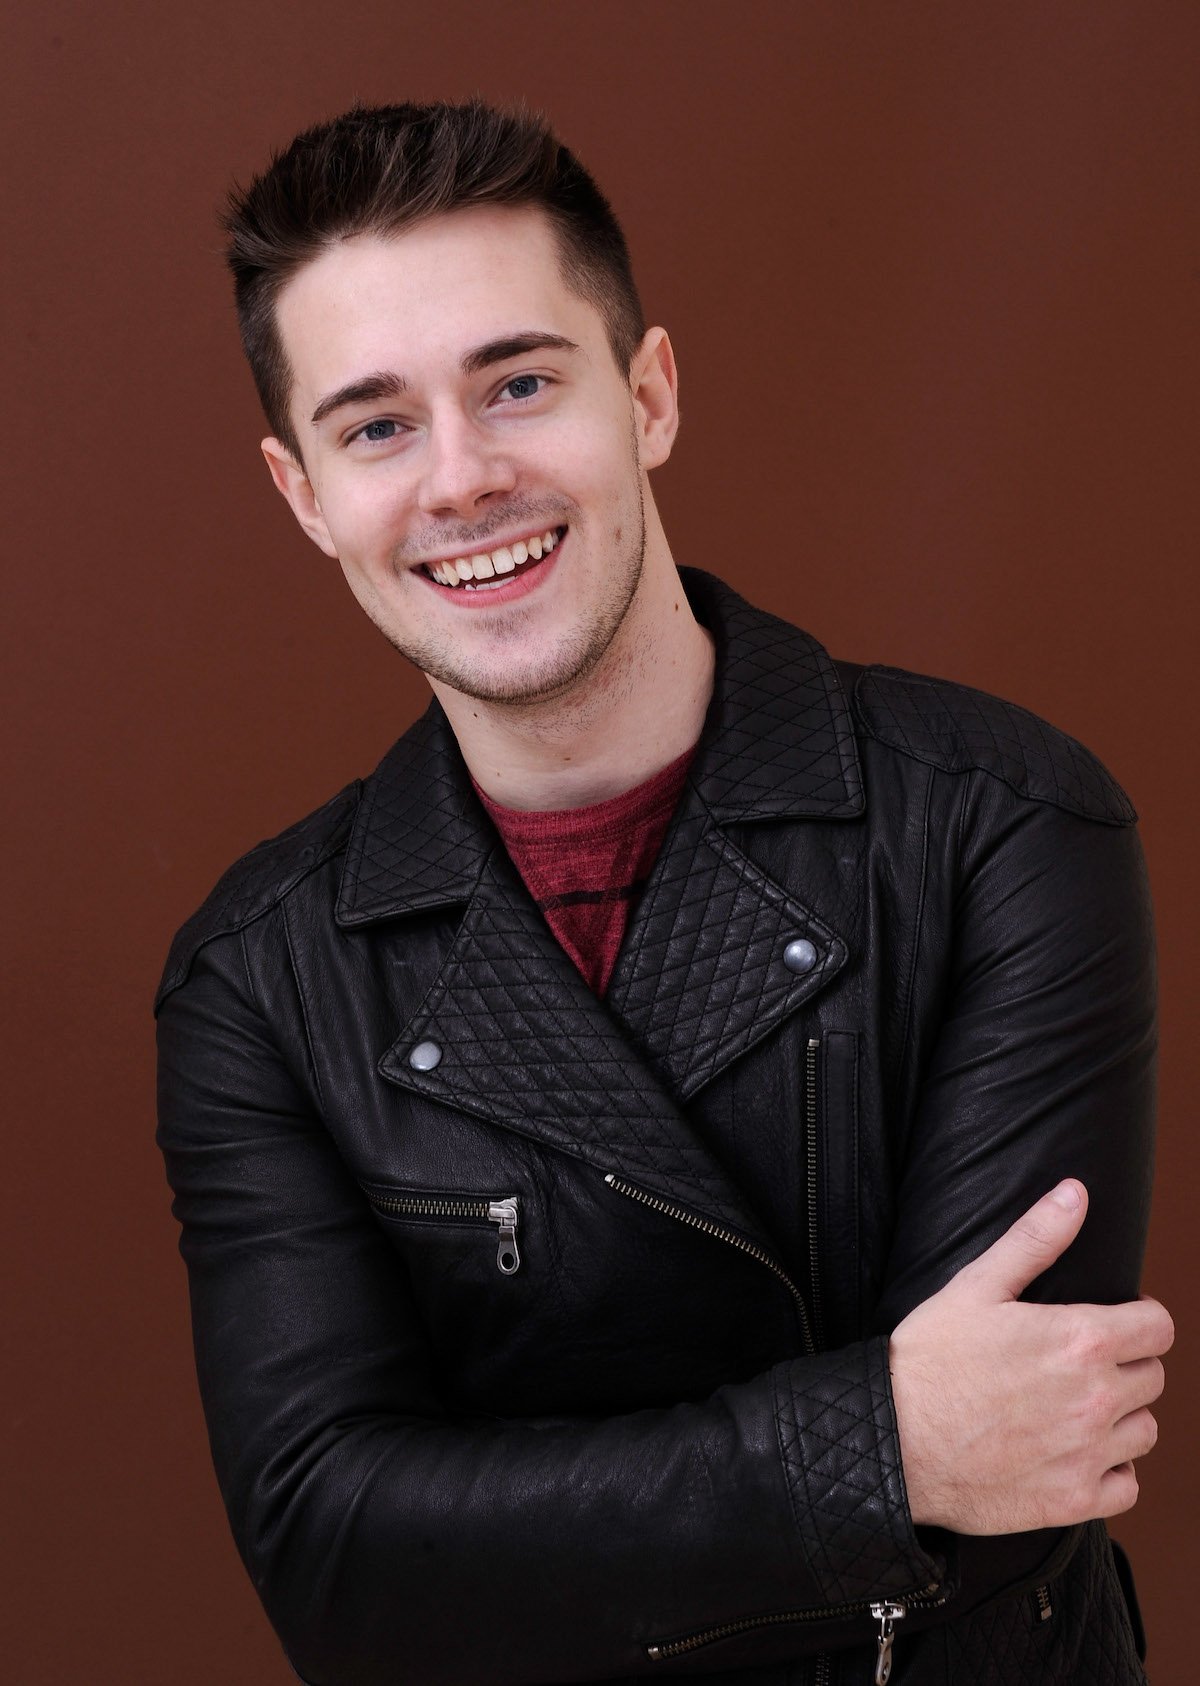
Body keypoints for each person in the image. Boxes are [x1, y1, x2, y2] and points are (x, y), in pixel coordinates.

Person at [155, 100, 1172, 1686]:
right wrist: (885, 1441)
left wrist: (525, 1526)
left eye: (520, 384)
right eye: (376, 426)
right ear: (304, 497)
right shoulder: (258, 979)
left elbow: (1021, 1484)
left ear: (649, 396)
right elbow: (342, 1563)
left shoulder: (1002, 821)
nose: (463, 478)